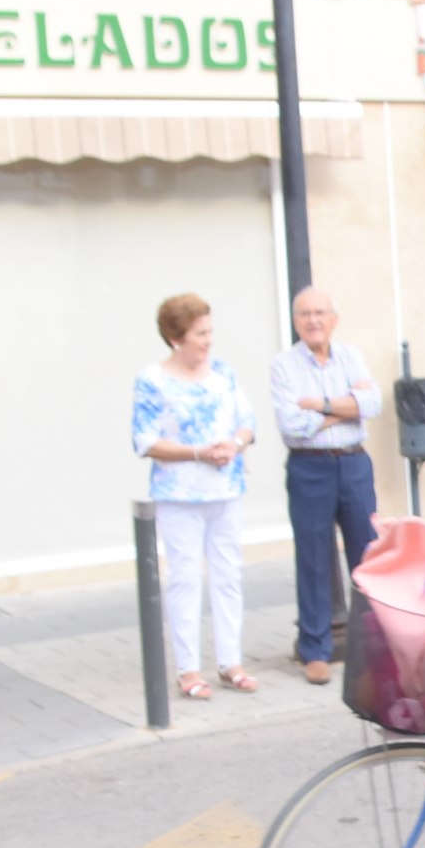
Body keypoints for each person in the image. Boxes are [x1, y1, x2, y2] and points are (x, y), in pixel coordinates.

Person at [133, 293, 259, 701]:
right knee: (185, 578)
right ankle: (188, 669)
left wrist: (234, 445)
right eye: (199, 333)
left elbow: (247, 423)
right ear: (175, 338)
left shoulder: (223, 373)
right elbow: (145, 440)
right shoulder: (152, 380)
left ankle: (231, 661)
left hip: (226, 488)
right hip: (179, 494)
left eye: (209, 332)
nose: (208, 341)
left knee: (228, 574)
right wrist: (197, 453)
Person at [269, 287, 382, 686]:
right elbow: (291, 426)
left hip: (353, 462)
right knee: (314, 558)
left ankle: (373, 649)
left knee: (368, 558)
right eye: (305, 314)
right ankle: (314, 650)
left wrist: (318, 405)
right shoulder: (283, 365)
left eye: (320, 313)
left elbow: (373, 404)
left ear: (333, 318)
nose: (313, 320)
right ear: (296, 321)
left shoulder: (350, 355)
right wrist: (345, 407)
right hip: (310, 468)